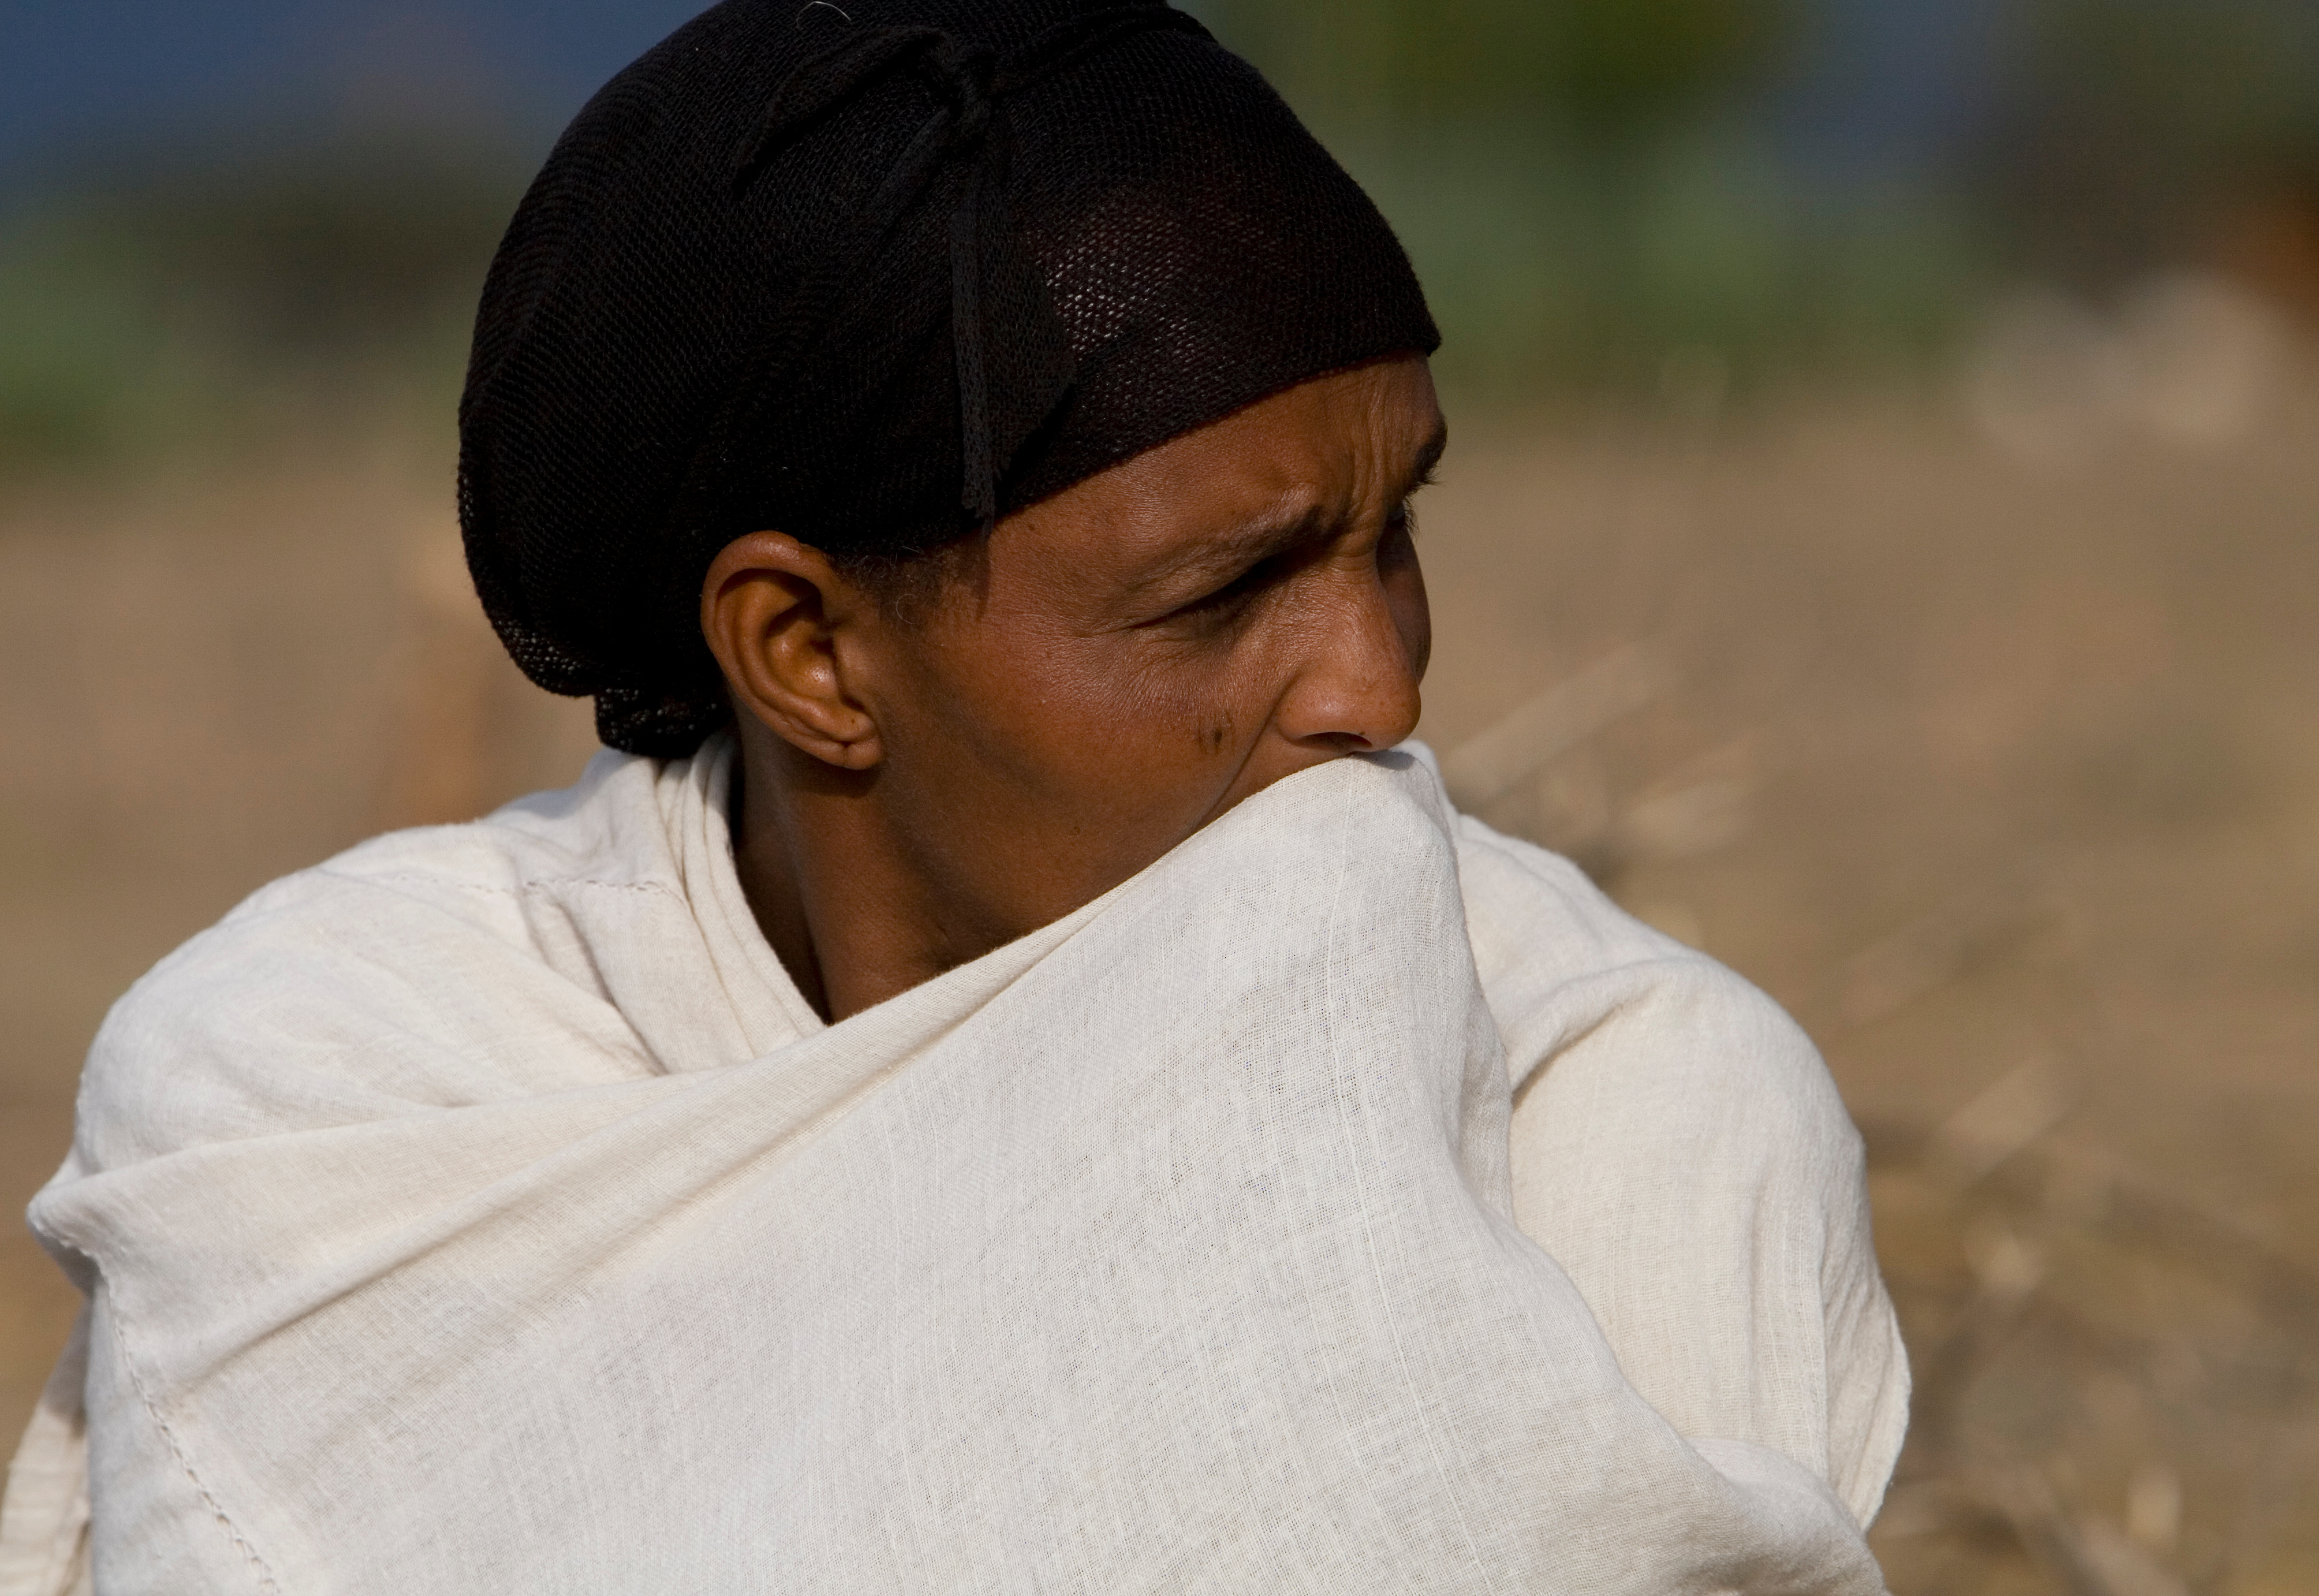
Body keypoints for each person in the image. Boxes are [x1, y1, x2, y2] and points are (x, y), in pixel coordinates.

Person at [0, 1, 1908, 1591]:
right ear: (811, 657)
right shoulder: (344, 1122)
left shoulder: (1630, 1111)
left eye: (1391, 533)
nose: (1382, 688)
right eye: (1226, 592)